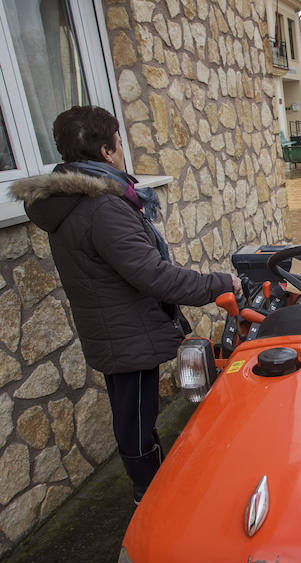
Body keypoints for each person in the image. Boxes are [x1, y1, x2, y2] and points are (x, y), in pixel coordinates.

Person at [12, 105, 241, 503]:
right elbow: (154, 275)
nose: (122, 151)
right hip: (126, 331)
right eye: (119, 142)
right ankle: (150, 498)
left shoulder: (73, 201)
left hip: (112, 325)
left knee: (134, 414)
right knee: (136, 421)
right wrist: (221, 284)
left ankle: (151, 488)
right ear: (105, 151)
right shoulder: (102, 208)